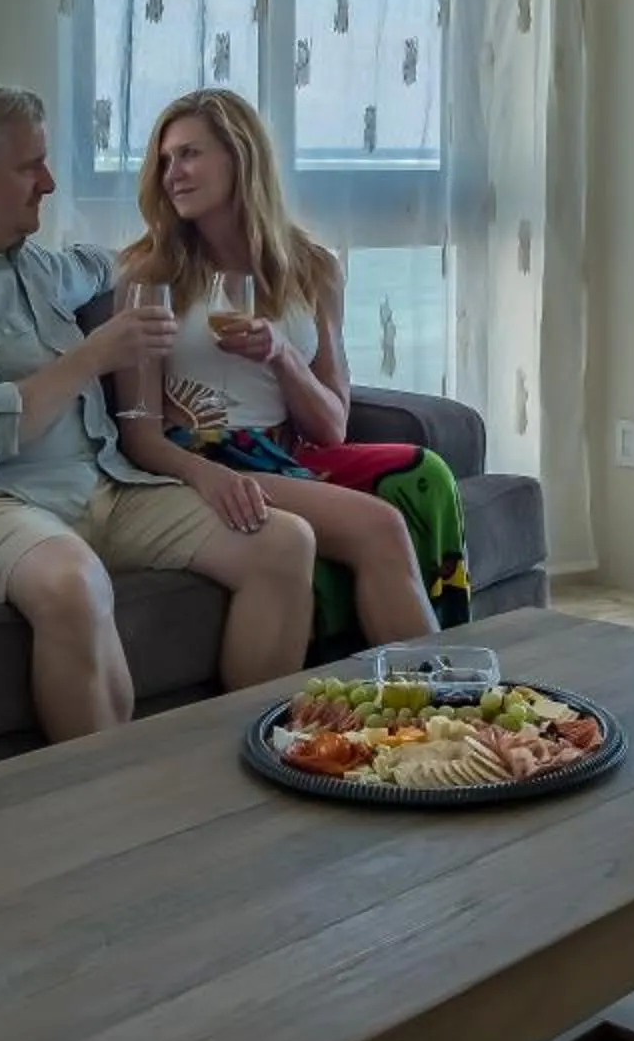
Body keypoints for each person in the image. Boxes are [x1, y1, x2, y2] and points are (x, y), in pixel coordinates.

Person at [0, 84, 319, 741]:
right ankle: (108, 815)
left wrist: (201, 240)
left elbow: (108, 265)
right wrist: (94, 355)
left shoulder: (37, 268)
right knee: (74, 582)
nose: (47, 182)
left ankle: (244, 761)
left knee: (283, 542)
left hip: (100, 487)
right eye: (29, 167)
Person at [110, 88, 450, 646]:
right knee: (380, 525)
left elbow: (331, 427)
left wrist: (282, 354)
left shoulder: (313, 270)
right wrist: (210, 476)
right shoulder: (149, 276)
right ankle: (434, 706)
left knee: (424, 473)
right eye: (166, 161)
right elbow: (139, 434)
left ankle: (421, 697)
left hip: (288, 453)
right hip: (200, 456)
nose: (174, 174)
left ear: (240, 157)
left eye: (190, 154)